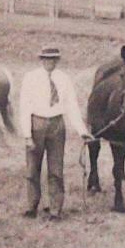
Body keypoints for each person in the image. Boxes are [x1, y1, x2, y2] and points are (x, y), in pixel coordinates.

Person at [19, 46, 93, 221]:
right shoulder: (31, 78)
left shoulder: (64, 79)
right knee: (32, 169)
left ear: (57, 61)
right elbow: (24, 107)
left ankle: (55, 210)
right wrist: (27, 136)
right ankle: (31, 206)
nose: (49, 62)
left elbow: (71, 106)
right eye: (46, 59)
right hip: (36, 123)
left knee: (56, 170)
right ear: (41, 59)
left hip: (57, 125)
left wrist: (82, 131)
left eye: (53, 59)